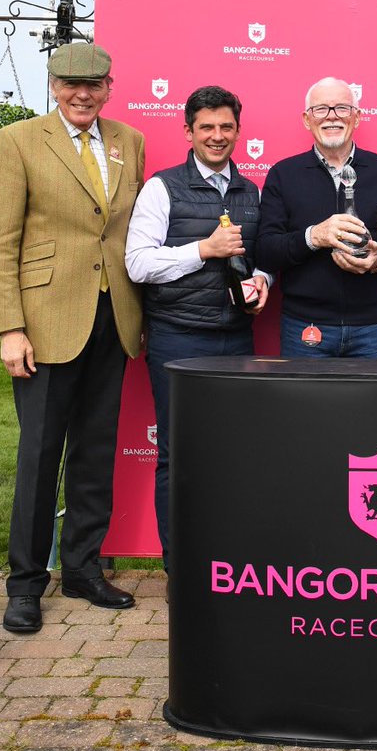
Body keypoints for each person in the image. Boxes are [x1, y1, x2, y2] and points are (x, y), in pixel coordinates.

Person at [0, 43, 146, 634]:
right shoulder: (19, 140)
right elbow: (0, 243)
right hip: (46, 320)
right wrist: (11, 327)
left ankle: (82, 569)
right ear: (53, 85)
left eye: (94, 84)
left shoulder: (131, 141)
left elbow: (129, 232)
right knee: (38, 455)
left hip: (116, 319)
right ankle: (25, 584)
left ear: (108, 86)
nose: (82, 93)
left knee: (95, 453)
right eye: (70, 83)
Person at [125, 85, 269, 569]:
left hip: (236, 337)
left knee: (234, 454)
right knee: (177, 456)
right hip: (178, 337)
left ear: (238, 132)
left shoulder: (251, 191)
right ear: (188, 131)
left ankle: (227, 563)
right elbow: (138, 264)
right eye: (206, 127)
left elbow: (258, 259)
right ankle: (180, 567)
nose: (217, 135)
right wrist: (202, 250)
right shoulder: (161, 188)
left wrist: (262, 282)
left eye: (226, 127)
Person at [256, 77, 377, 357]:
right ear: (306, 119)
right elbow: (265, 252)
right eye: (321, 109)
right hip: (304, 327)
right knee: (304, 403)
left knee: (371, 403)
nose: (332, 117)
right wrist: (314, 237)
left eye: (342, 109)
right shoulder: (283, 174)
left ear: (357, 118)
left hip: (375, 328)